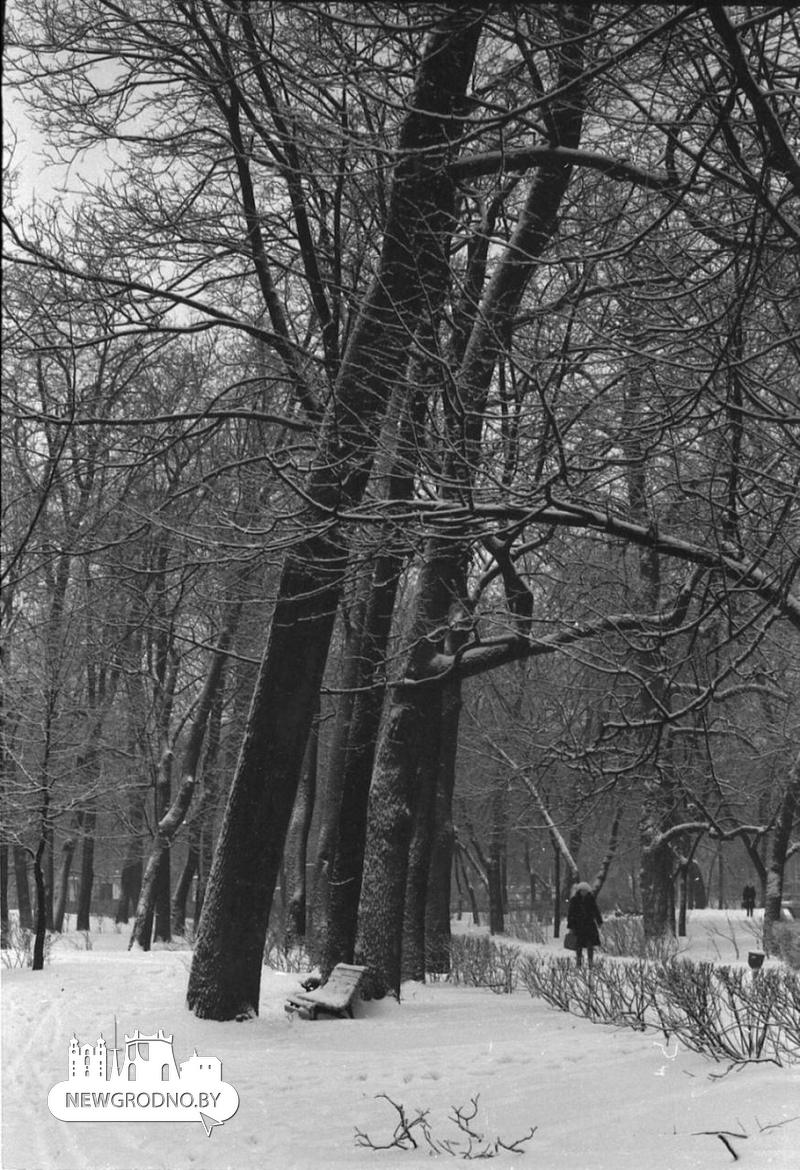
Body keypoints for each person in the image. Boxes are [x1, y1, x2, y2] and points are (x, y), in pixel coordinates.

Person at [567, 881, 603, 968]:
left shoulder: (591, 899)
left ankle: (590, 962)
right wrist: (571, 925)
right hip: (578, 926)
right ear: (579, 891)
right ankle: (578, 963)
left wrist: (599, 921)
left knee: (590, 945)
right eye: (582, 891)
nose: (584, 892)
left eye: (585, 891)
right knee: (578, 946)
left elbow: (596, 911)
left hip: (589, 926)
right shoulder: (574, 900)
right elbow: (571, 913)